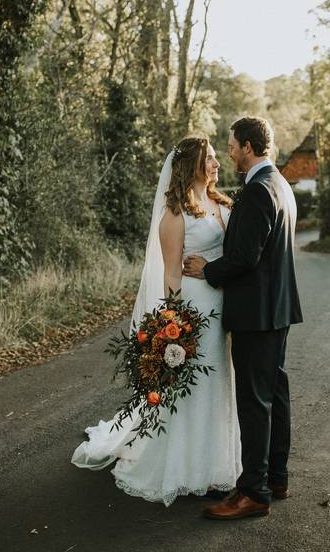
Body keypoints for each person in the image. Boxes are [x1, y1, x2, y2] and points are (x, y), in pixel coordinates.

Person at [71, 136, 241, 506]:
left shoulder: (221, 202)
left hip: (224, 306)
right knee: (195, 387)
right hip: (195, 312)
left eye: (215, 158)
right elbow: (172, 275)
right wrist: (174, 326)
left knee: (220, 383)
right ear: (191, 165)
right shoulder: (175, 215)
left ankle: (219, 463)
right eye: (209, 159)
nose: (216, 164)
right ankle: (189, 468)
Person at [183, 116, 303, 520]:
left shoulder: (256, 192)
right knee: (275, 394)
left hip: (256, 312)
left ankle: (253, 492)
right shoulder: (281, 185)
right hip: (278, 308)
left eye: (232, 145)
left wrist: (207, 270)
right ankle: (277, 477)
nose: (229, 152)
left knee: (254, 403)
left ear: (249, 147)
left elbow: (245, 258)